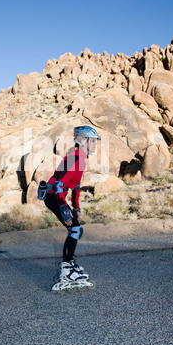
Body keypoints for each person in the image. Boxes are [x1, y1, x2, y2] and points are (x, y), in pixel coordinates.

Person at [42, 125, 100, 292]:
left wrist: (77, 209)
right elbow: (59, 185)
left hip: (56, 196)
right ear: (83, 141)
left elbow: (75, 187)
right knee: (74, 229)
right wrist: (64, 210)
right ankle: (67, 270)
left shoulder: (79, 159)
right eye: (93, 141)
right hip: (54, 197)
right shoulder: (75, 158)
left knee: (76, 228)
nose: (95, 144)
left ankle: (70, 264)